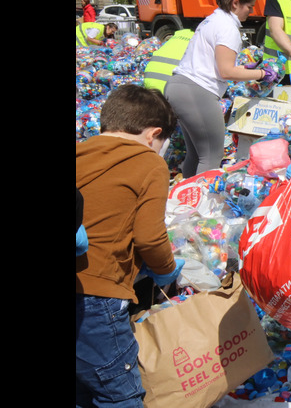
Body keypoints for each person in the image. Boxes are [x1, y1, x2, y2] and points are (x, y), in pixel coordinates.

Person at [76, 84, 184, 407]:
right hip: (101, 299)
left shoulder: (81, 154)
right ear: (154, 135)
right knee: (120, 394)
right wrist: (166, 269)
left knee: (83, 386)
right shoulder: (150, 164)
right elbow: (150, 236)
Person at [166, 0, 277, 176]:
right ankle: (200, 205)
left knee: (196, 154)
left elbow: (215, 64)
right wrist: (262, 74)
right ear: (235, 3)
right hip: (197, 91)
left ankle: (186, 201)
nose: (250, 12)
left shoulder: (212, 20)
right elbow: (227, 72)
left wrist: (243, 68)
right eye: (249, 7)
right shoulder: (228, 27)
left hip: (179, 86)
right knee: (211, 156)